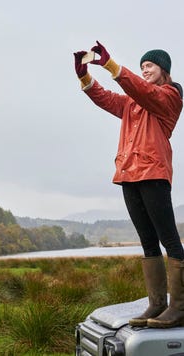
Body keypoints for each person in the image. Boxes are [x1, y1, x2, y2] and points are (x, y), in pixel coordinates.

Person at [73, 41, 184, 329]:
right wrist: (84, 76)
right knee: (147, 241)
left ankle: (180, 307)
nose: (145, 69)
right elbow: (106, 98)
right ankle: (157, 303)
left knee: (169, 238)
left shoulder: (171, 95)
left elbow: (143, 91)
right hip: (128, 175)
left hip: (154, 173)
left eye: (150, 65)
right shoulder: (132, 102)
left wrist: (111, 65)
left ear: (164, 70)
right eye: (142, 66)